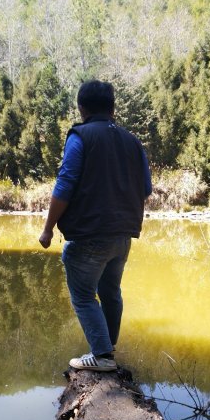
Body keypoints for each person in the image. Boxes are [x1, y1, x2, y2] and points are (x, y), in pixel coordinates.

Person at [39, 80, 152, 371]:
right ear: (113, 108)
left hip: (89, 235)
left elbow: (65, 184)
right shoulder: (132, 141)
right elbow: (146, 188)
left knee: (84, 295)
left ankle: (102, 357)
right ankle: (107, 349)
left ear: (81, 108)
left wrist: (48, 228)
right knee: (111, 292)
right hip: (123, 234)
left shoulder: (81, 136)